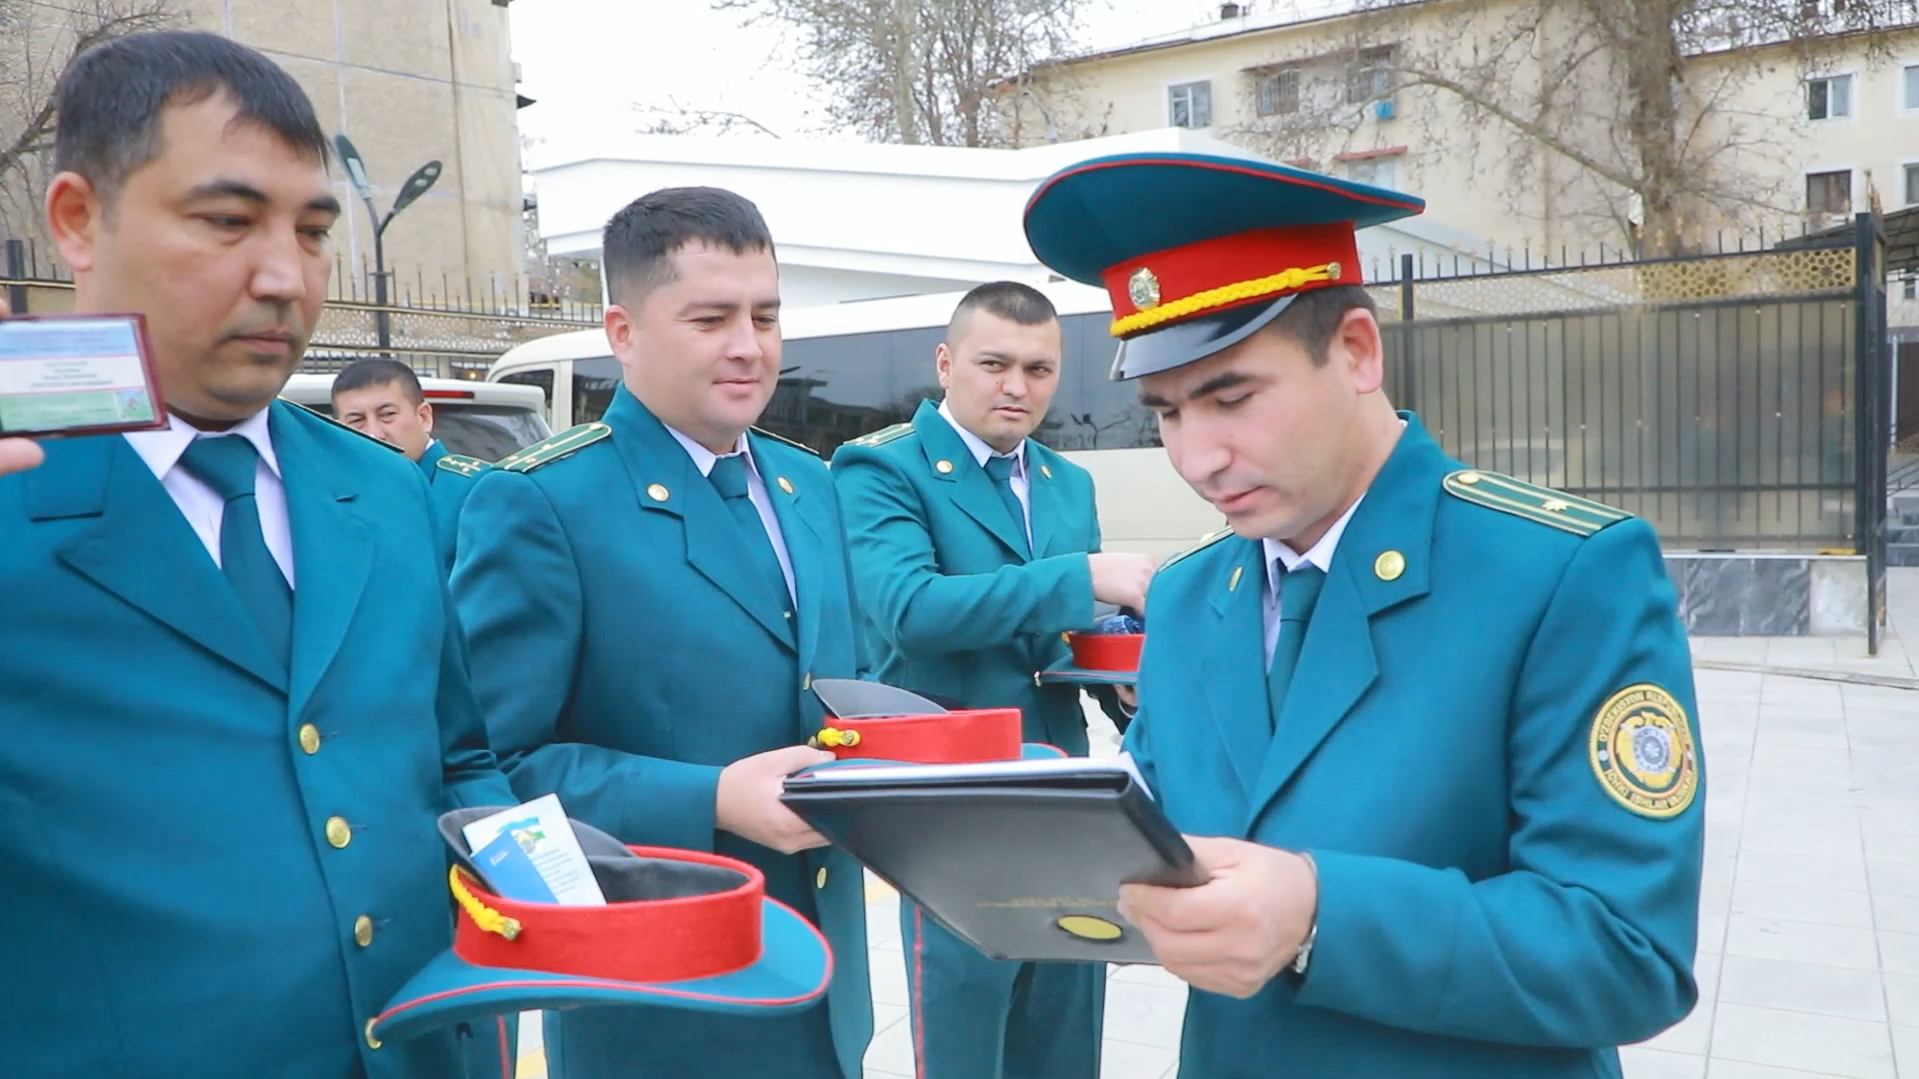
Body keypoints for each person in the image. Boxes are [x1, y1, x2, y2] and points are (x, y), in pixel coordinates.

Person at [1022, 151, 1705, 1077]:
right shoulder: (1187, 596)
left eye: (1231, 397)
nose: (1197, 458)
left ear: (1355, 351)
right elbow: (1155, 828)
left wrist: (1318, 913)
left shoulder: (1558, 573)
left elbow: (1626, 952)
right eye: (1166, 414)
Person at [0, 30, 519, 1079]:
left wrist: (564, 891)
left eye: (314, 230)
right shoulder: (17, 483)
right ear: (77, 220)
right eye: (228, 221)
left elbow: (457, 756)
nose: (287, 276)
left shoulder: (380, 487)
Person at [451, 186, 872, 1079]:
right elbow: (489, 771)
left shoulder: (809, 485)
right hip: (661, 997)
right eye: (710, 318)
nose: (748, 345)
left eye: (765, 316)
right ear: (623, 331)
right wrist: (711, 795)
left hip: (824, 986)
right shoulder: (545, 504)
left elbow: (842, 687)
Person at [829, 281, 1154, 1079]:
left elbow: (1060, 637)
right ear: (946, 364)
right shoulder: (881, 468)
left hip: (1062, 789)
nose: (1017, 386)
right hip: (951, 797)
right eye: (994, 364)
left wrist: (1118, 680)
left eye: (1039, 369)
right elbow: (909, 610)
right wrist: (1081, 576)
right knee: (964, 1017)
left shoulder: (1065, 481)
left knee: (1065, 1012)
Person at [331, 357, 488, 570]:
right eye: (356, 421)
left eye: (387, 415)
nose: (373, 433)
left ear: (424, 417)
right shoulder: (335, 496)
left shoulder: (476, 489)